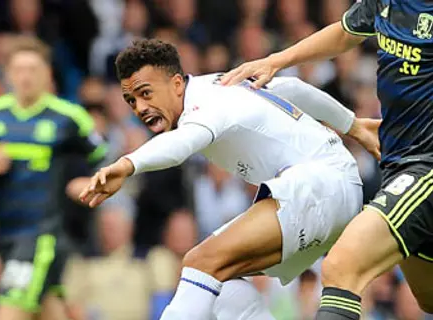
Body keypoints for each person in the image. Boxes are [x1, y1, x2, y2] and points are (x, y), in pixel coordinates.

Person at [75, 39, 378, 320]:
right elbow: (294, 88)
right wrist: (354, 127)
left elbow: (182, 144)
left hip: (319, 184)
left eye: (145, 93)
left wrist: (128, 164)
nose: (140, 108)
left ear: (177, 83)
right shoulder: (220, 83)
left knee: (199, 262)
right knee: (216, 281)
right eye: (131, 100)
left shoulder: (204, 108)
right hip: (332, 188)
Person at [221, 1, 433, 318]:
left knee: (342, 266)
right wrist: (276, 60)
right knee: (428, 296)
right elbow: (345, 32)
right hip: (395, 160)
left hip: (425, 167)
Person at [0, 36, 107, 320]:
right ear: (8, 73)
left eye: (33, 69)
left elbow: (103, 157)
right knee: (50, 311)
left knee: (9, 311)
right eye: (19, 69)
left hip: (43, 233)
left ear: (47, 74)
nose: (26, 76)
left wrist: (89, 182)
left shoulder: (69, 117)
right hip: (5, 232)